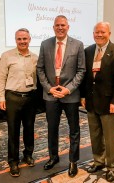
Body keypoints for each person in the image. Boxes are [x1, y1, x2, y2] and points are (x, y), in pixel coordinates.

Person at [80, 22, 114, 182]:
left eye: (102, 32)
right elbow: (86, 78)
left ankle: (112, 167)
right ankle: (98, 161)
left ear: (109, 33)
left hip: (110, 103)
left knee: (110, 138)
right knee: (95, 135)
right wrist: (83, 96)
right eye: (96, 32)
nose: (99, 35)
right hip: (91, 102)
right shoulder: (88, 51)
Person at [37, 15, 85, 177]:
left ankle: (73, 161)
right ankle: (53, 157)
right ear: (53, 27)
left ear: (68, 27)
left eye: (63, 25)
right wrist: (50, 88)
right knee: (52, 129)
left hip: (70, 95)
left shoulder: (78, 45)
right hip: (51, 95)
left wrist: (68, 89)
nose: (60, 27)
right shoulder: (45, 44)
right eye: (57, 25)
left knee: (74, 130)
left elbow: (81, 71)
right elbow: (40, 69)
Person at [0, 28, 38, 177]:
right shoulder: (6, 56)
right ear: (15, 40)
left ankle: (28, 154)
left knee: (29, 128)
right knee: (13, 131)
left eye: (25, 39)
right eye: (19, 39)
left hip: (30, 98)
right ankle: (13, 161)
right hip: (12, 98)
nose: (22, 41)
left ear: (29, 40)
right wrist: (1, 97)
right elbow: (1, 78)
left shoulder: (35, 57)